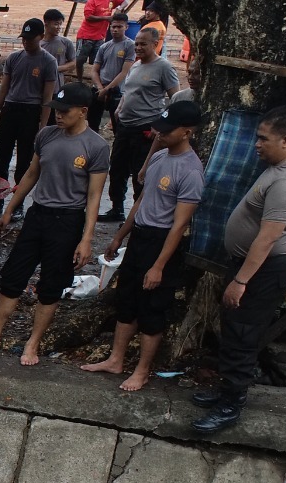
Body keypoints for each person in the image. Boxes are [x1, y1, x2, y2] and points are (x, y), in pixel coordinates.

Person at [0, 84, 109, 366]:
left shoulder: (97, 147)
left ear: (83, 112)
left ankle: (33, 343)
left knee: (51, 284)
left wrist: (86, 238)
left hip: (68, 220)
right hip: (37, 215)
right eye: (56, 110)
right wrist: (10, 208)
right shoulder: (47, 135)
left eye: (65, 112)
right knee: (13, 275)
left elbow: (94, 196)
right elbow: (31, 173)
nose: (58, 116)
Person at [192, 107, 286, 434]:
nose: (256, 144)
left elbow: (267, 237)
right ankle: (225, 390)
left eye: (263, 139)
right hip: (255, 268)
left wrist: (241, 280)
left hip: (261, 272)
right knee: (233, 330)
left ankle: (231, 405)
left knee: (242, 336)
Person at [81, 101, 203, 391]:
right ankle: (115, 359)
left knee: (152, 310)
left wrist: (159, 266)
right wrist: (120, 236)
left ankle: (143, 370)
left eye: (167, 130)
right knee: (127, 301)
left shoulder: (191, 172)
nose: (160, 134)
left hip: (162, 242)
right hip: (139, 237)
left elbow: (179, 225)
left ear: (186, 132)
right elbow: (141, 201)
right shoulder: (160, 157)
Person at [101, 28, 176, 222]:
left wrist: (160, 125)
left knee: (140, 175)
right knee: (117, 169)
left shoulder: (164, 67)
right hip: (124, 126)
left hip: (145, 129)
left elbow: (175, 100)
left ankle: (138, 216)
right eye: (136, 43)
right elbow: (129, 91)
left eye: (143, 44)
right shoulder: (135, 65)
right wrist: (120, 108)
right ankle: (117, 209)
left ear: (155, 43)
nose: (138, 47)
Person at [0, 19, 59, 212]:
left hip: (30, 112)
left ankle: (17, 205)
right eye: (23, 39)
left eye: (30, 39)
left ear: (41, 37)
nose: (26, 42)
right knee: (1, 158)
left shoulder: (49, 61)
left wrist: (42, 126)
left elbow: (47, 97)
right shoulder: (14, 58)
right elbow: (3, 91)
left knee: (24, 161)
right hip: (10, 110)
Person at [90, 12, 134, 133]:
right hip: (99, 89)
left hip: (117, 91)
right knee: (92, 124)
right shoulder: (104, 46)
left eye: (119, 26)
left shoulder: (130, 46)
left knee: (118, 127)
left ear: (126, 27)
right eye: (113, 26)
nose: (115, 29)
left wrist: (107, 89)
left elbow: (124, 72)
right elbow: (94, 70)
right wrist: (100, 88)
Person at [74, 0, 113, 83]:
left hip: (100, 37)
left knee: (98, 61)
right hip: (85, 36)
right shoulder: (92, 1)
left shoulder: (111, 1)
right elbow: (88, 17)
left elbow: (125, 2)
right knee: (80, 60)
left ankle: (96, 83)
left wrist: (120, 8)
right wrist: (106, 18)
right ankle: (79, 81)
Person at [41, 9, 76, 79]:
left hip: (57, 83)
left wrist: (56, 69)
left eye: (60, 24)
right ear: (46, 23)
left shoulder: (66, 42)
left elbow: (73, 63)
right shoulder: (38, 43)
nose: (59, 27)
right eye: (56, 24)